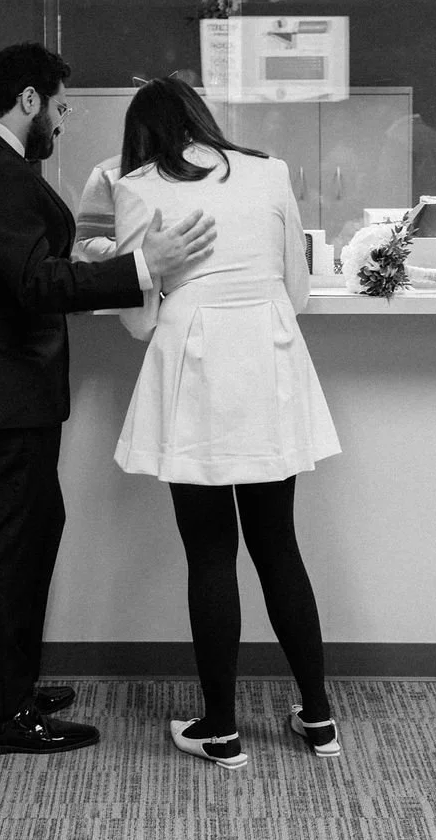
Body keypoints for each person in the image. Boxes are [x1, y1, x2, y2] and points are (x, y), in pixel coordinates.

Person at [0, 43, 216, 756]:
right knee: (6, 547)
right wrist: (143, 265)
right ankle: (0, 714)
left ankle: (13, 685)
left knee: (30, 532)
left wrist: (83, 259)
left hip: (7, 388)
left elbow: (24, 266)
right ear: (28, 99)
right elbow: (33, 286)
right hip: (2, 389)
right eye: (58, 107)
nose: (60, 122)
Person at [111, 78, 342, 772]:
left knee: (211, 552)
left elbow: (139, 317)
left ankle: (221, 730)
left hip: (198, 368)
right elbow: (297, 291)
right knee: (279, 546)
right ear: (199, 117)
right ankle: (318, 718)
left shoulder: (138, 187)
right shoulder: (269, 172)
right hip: (269, 360)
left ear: (141, 134)